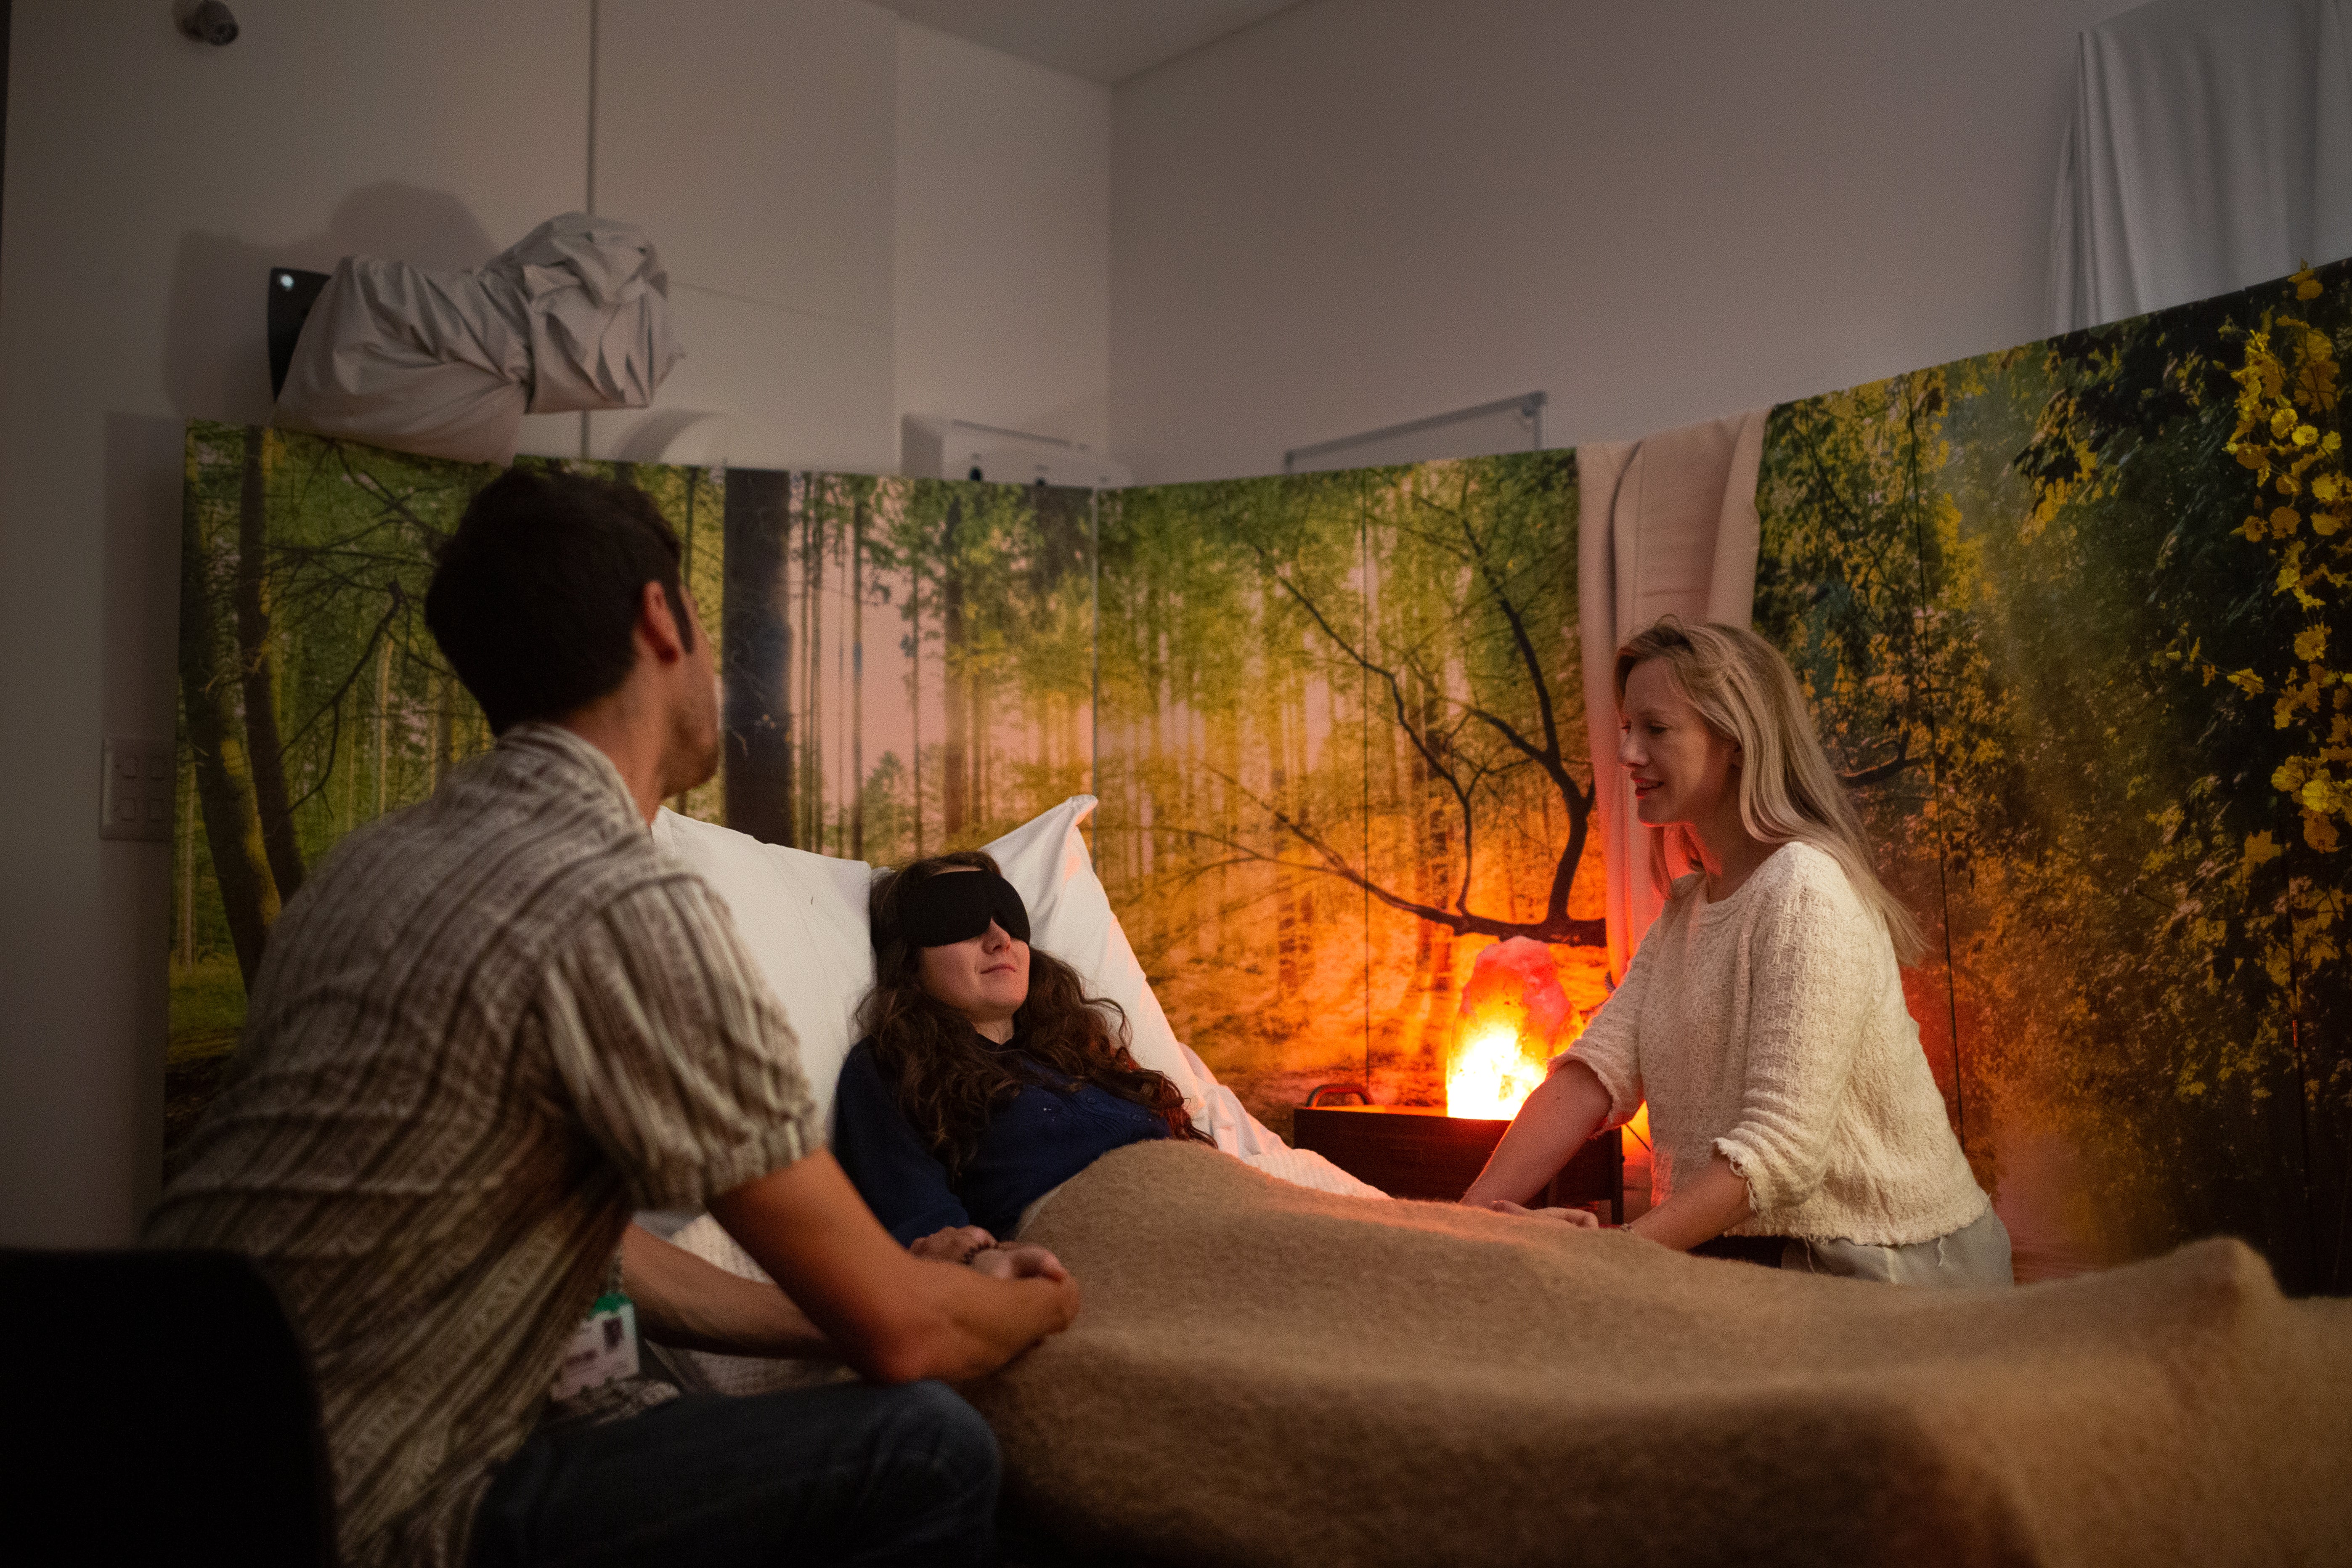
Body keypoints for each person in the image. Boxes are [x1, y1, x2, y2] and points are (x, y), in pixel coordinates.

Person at [145, 467, 1078, 1568]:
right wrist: (1028, 1309)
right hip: (379, 1502)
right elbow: (906, 1331)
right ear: (659, 618)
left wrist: (850, 1312)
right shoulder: (622, 900)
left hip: (165, 1458)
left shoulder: (366, 870)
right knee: (930, 1445)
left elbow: (595, 1250)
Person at [1462, 617, 2010, 1287]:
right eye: (1625, 727)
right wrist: (1464, 1225)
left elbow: (1779, 1150)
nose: (1626, 752)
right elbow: (1590, 1077)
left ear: (1735, 743)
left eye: (1654, 729)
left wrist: (1615, 1250)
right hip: (1758, 1254)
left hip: (1880, 1261)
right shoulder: (1689, 907)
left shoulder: (1803, 886)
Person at [831, 852, 1214, 1253]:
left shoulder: (1084, 1050)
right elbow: (927, 1229)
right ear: (908, 959)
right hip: (1116, 1254)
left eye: (1008, 915)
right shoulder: (892, 1067)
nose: (999, 938)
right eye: (959, 915)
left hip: (1211, 1207)